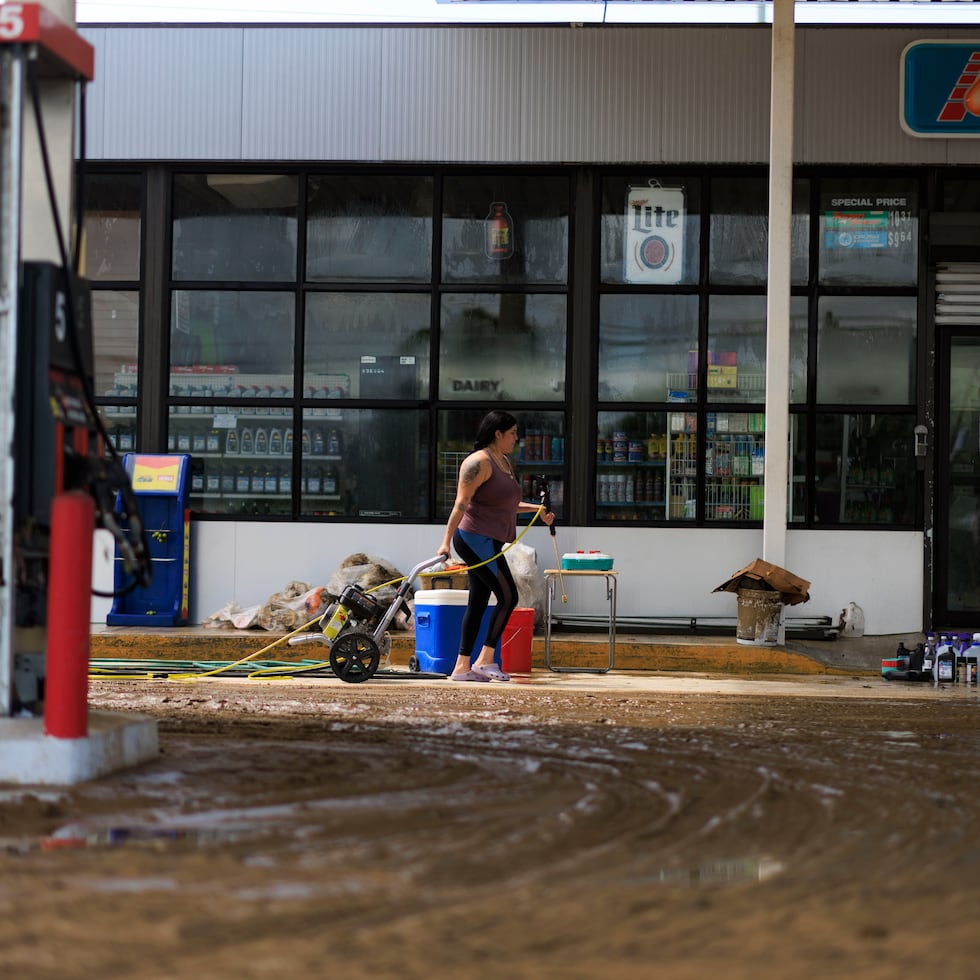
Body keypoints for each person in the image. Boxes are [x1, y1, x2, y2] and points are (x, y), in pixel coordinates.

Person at [437, 410, 554, 682]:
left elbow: (507, 505)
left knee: (478, 602)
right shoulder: (478, 462)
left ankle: (461, 667)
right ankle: (485, 660)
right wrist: (444, 544)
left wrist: (538, 510)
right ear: (497, 433)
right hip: (473, 539)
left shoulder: (503, 462)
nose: (516, 438)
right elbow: (460, 505)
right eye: (512, 433)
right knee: (508, 596)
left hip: (489, 541)